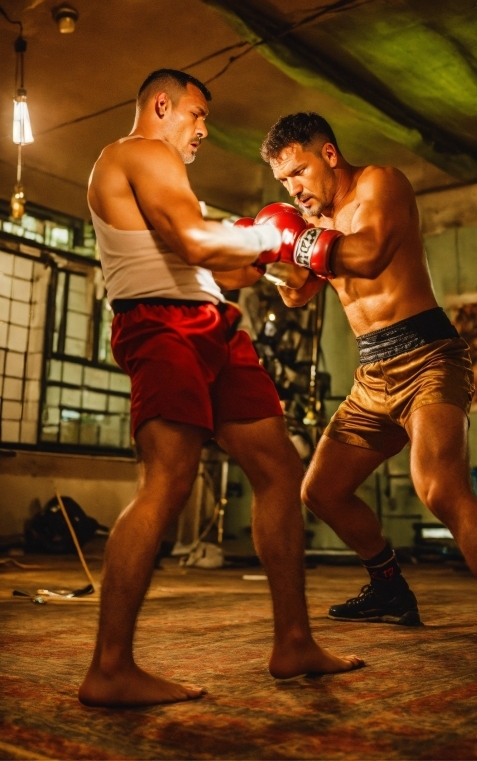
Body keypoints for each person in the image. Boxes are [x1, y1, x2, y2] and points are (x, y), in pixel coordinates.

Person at [257, 111, 477, 726]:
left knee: (439, 488)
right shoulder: (315, 222)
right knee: (320, 490)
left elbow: (370, 257)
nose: (292, 188)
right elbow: (300, 290)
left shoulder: (382, 184)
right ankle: (389, 586)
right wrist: (275, 257)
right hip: (372, 376)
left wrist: (297, 241)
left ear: (328, 153)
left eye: (298, 171)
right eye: (282, 180)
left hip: (429, 357)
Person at [79, 73, 363, 708]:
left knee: (279, 469)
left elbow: (226, 266)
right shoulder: (136, 154)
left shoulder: (169, 182)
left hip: (212, 324)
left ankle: (293, 642)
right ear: (161, 105)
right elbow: (196, 241)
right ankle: (109, 667)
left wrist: (274, 254)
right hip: (159, 324)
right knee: (169, 481)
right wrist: (272, 235)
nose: (205, 128)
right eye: (197, 113)